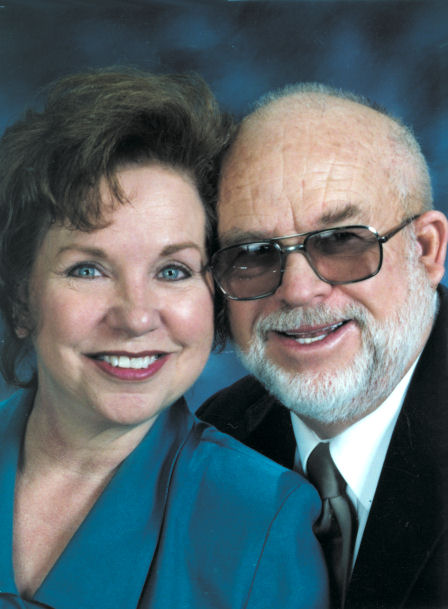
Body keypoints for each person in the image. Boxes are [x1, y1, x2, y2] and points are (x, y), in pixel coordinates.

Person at [0, 70, 329, 609]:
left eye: (173, 271)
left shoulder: (264, 526)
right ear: (20, 300)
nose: (135, 317)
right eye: (87, 269)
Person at [199, 83, 448, 609]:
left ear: (426, 250)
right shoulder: (218, 437)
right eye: (255, 251)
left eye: (340, 240)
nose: (297, 290)